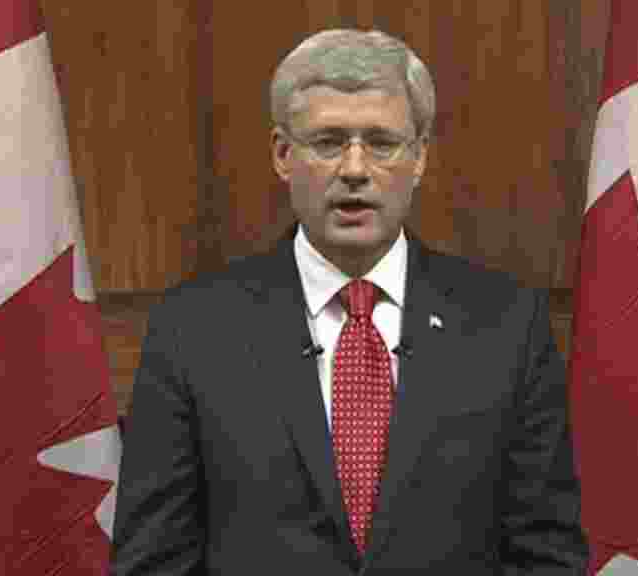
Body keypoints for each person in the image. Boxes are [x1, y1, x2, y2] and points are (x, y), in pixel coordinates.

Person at [111, 29, 589, 575]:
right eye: (329, 142)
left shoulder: (507, 326)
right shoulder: (193, 331)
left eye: (381, 143)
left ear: (420, 157)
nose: (355, 169)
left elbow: (547, 556)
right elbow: (153, 562)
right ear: (283, 155)